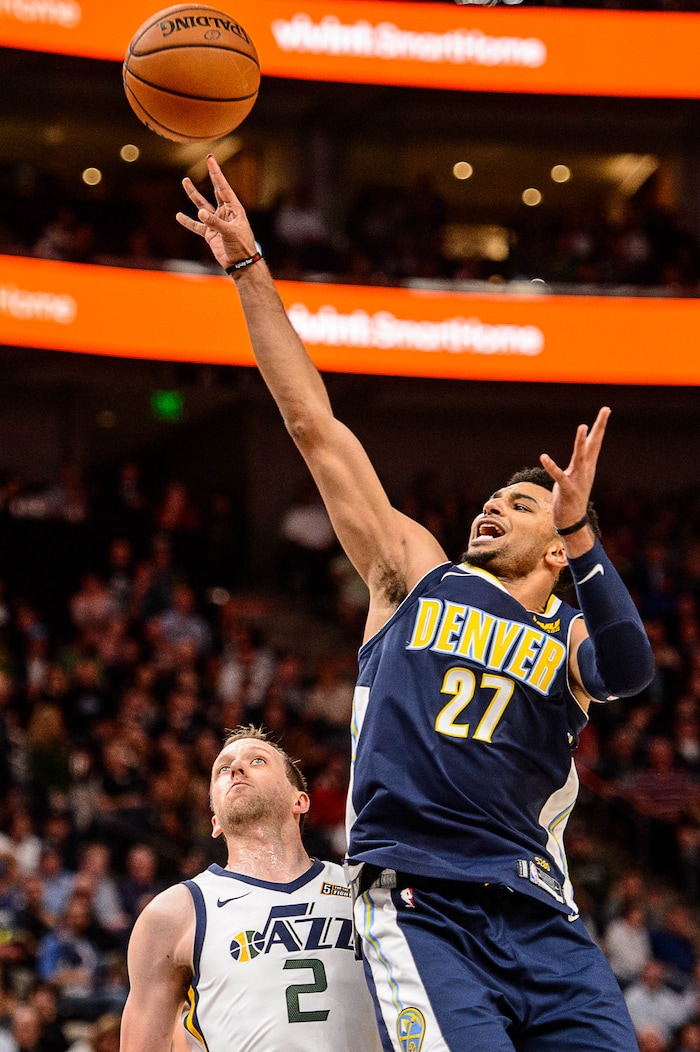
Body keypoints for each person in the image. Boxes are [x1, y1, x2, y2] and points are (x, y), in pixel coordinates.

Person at [176, 157, 655, 1052]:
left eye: (518, 505)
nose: (489, 506)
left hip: (544, 917)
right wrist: (249, 267)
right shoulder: (415, 574)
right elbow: (314, 426)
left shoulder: (573, 629)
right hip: (421, 905)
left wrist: (586, 536)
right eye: (491, 497)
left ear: (558, 545)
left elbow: (631, 672)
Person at [119, 726, 381, 1052]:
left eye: (257, 760)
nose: (236, 769)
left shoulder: (363, 888)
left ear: (299, 800)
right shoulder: (174, 912)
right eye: (223, 769)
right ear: (215, 821)